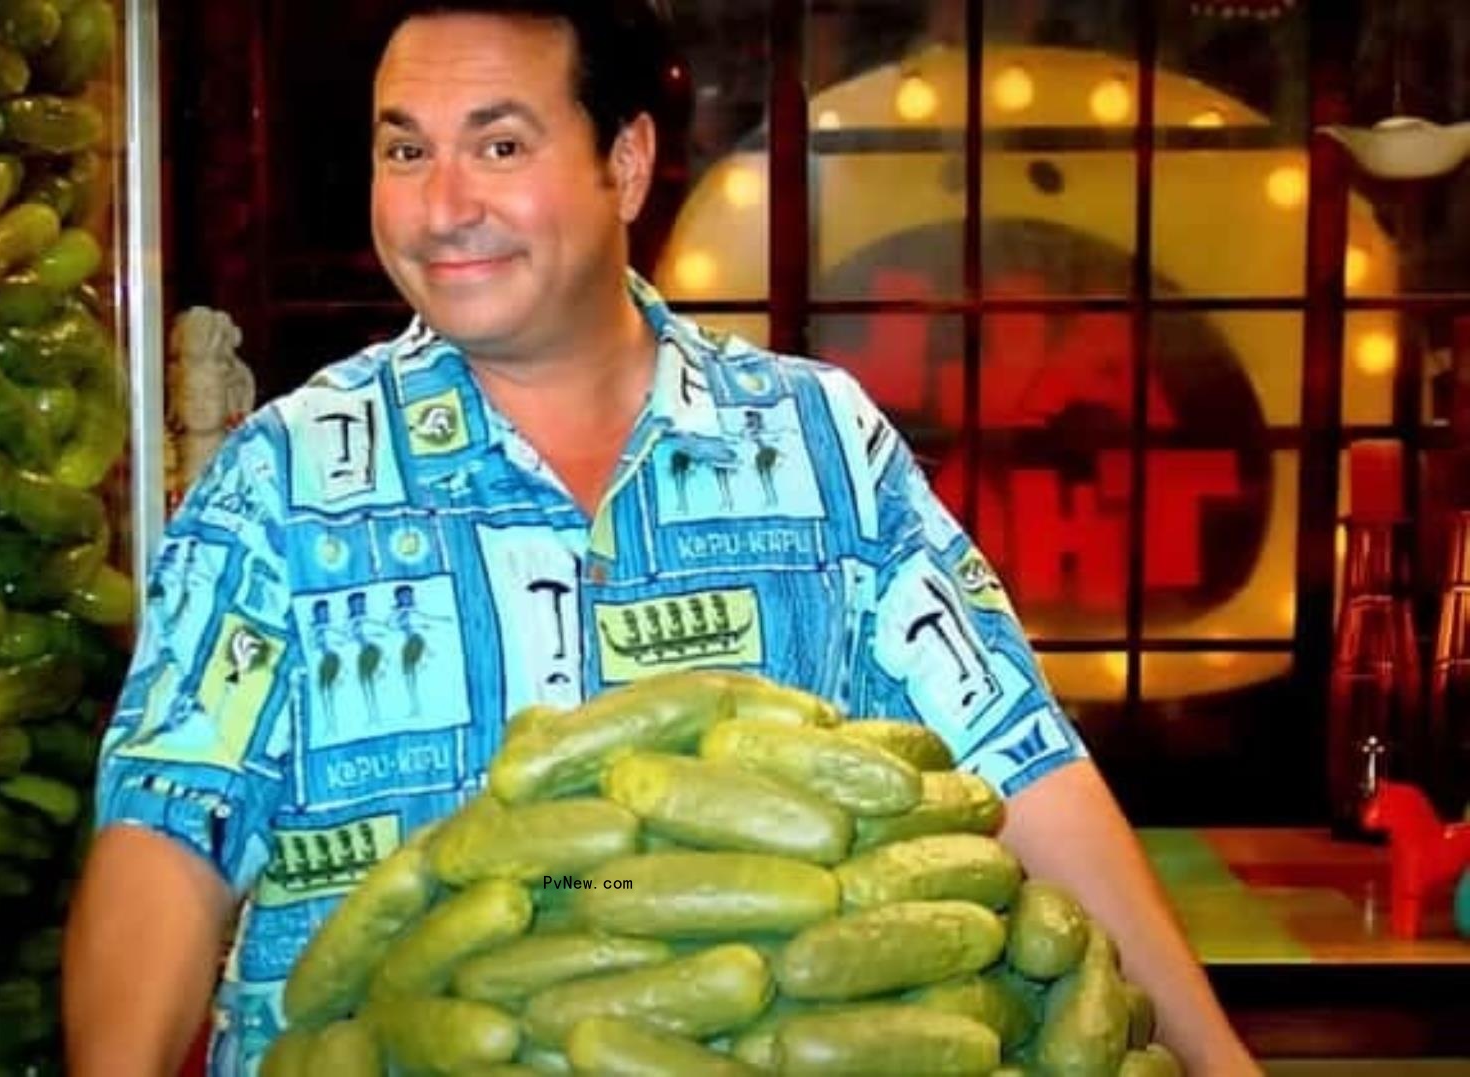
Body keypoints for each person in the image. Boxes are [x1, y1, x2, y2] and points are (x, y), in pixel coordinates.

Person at [62, 2, 1264, 1074]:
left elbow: (1020, 763)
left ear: (625, 163)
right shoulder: (282, 480)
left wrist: (1218, 1064)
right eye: (404, 150)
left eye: (500, 144)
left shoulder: (817, 445)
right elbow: (169, 827)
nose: (442, 207)